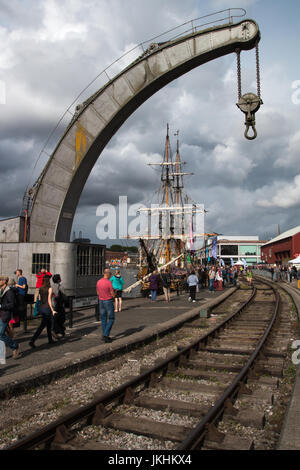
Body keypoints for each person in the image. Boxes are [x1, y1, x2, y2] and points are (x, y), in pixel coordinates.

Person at [29, 275, 56, 348]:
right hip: (47, 308)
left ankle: (50, 340)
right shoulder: (50, 289)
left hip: (42, 307)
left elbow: (40, 299)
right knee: (43, 325)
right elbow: (49, 300)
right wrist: (52, 310)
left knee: (48, 324)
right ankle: (32, 340)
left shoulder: (40, 288)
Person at [0, 275, 21, 358]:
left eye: (0, 280)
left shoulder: (9, 292)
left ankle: (15, 346)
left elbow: (11, 305)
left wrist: (2, 306)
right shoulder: (1, 290)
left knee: (1, 334)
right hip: (0, 314)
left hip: (5, 315)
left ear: (4, 281)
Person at [96, 268, 115, 343]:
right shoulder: (109, 283)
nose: (110, 275)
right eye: (110, 274)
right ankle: (105, 334)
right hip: (108, 301)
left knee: (103, 318)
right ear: (107, 274)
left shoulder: (98, 282)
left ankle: (104, 334)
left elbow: (97, 292)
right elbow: (112, 294)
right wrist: (115, 293)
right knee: (111, 318)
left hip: (101, 301)